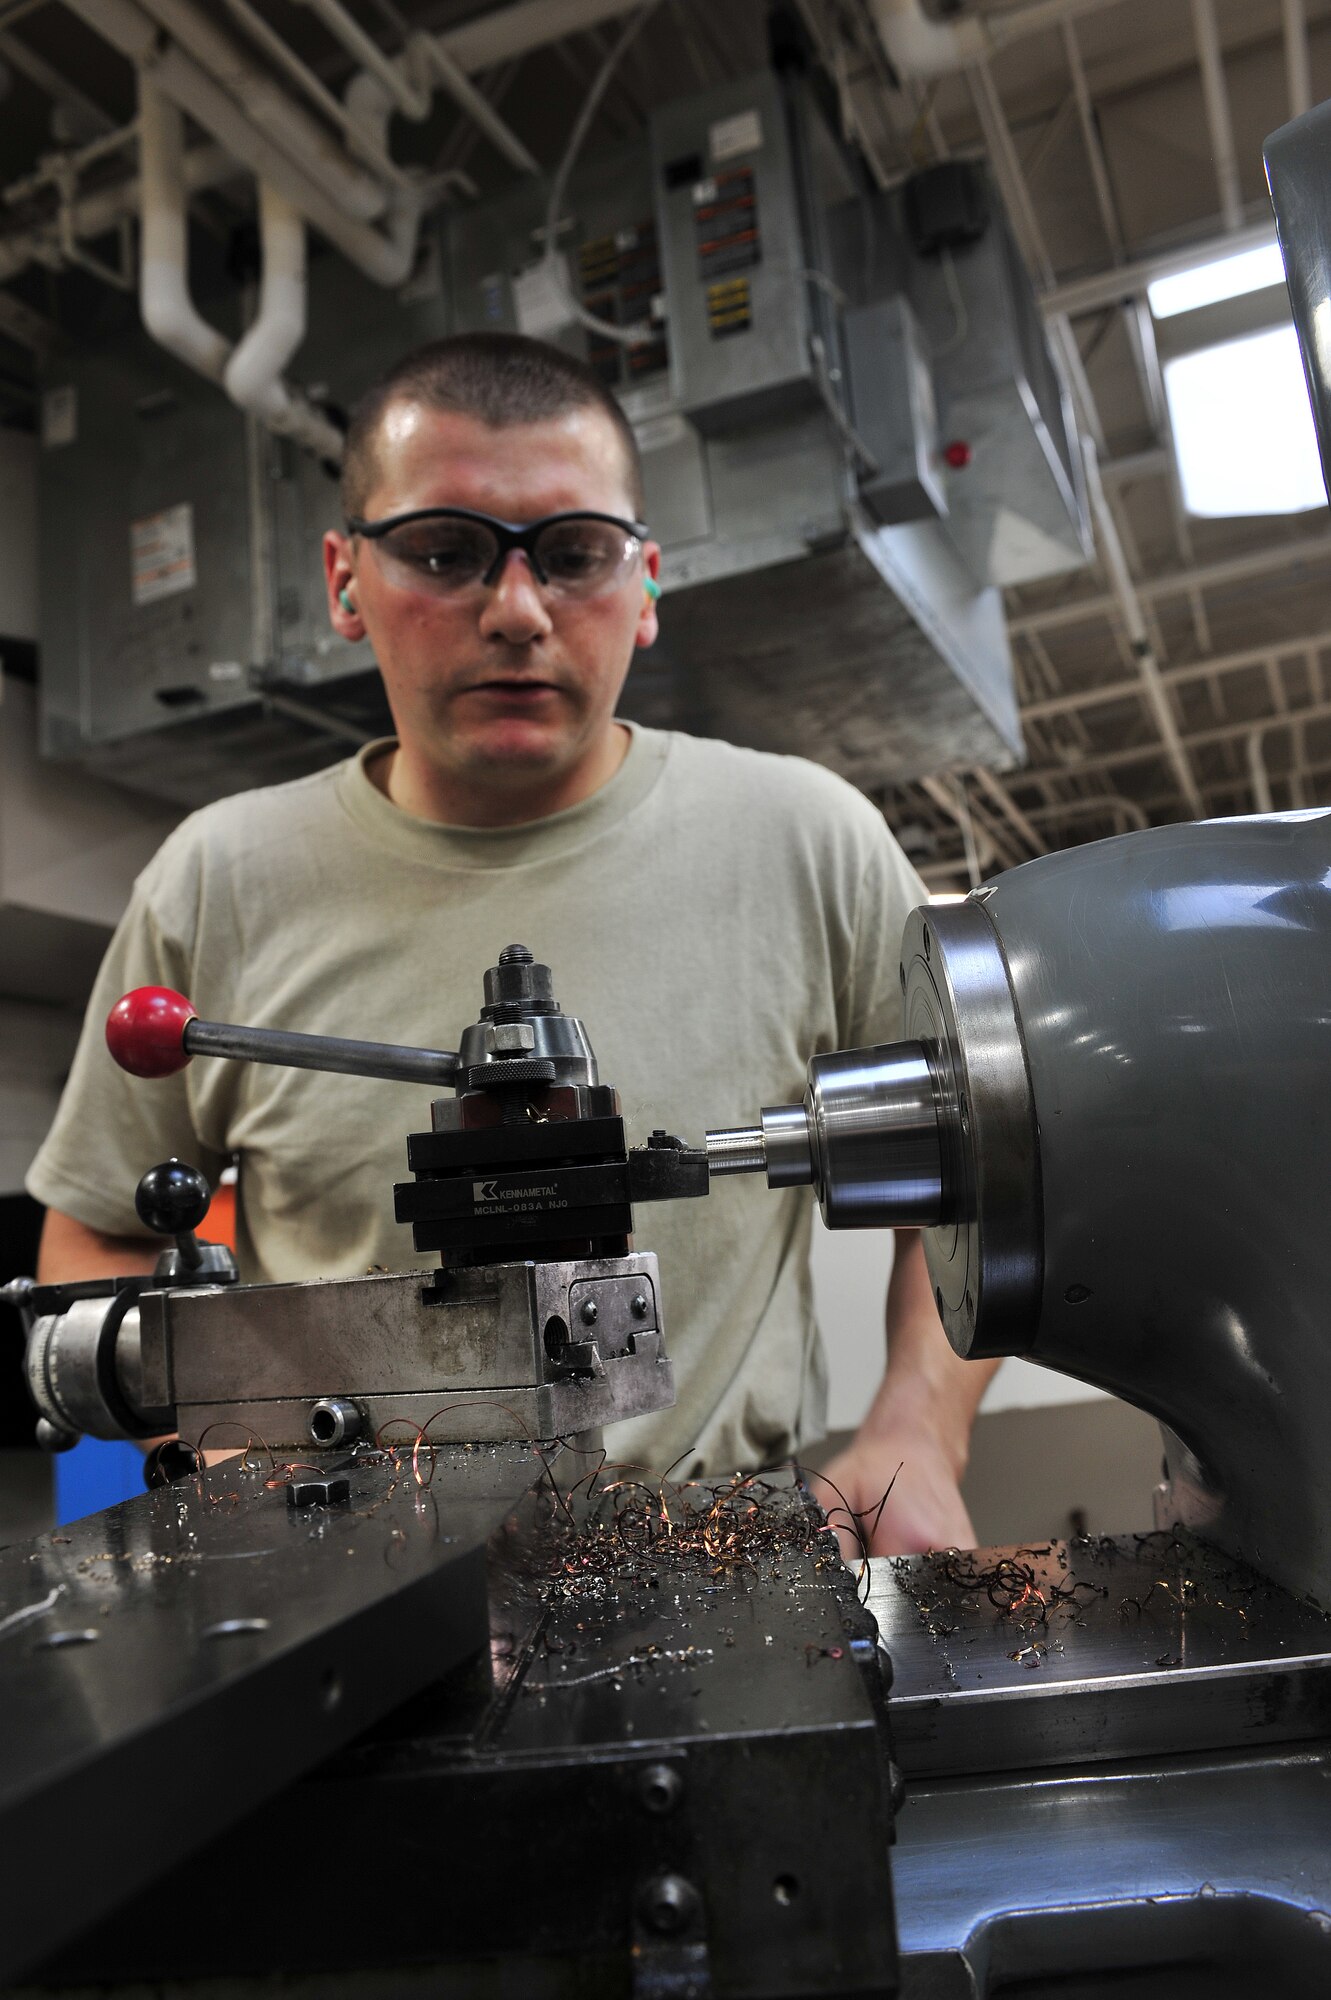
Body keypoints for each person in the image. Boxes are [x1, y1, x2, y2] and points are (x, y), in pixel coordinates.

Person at [29, 332, 998, 1552]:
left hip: (728, 1549)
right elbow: (100, 1220)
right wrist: (213, 1454)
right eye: (443, 552)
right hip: (334, 1571)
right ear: (344, 581)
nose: (518, 610)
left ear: (644, 584)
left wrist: (919, 1426)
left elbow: (980, 1173)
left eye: (577, 554)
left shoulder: (810, 840)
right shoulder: (217, 879)